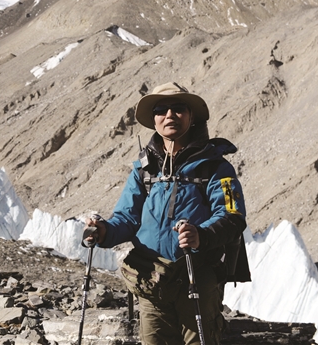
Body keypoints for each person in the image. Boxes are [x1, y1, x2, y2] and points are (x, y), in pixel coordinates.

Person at [85, 82, 249, 345]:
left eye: (178, 108)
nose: (169, 115)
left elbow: (232, 216)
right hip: (151, 280)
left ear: (191, 116)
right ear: (154, 120)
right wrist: (104, 231)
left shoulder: (216, 168)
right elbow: (127, 218)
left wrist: (201, 235)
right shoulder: (143, 170)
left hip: (198, 277)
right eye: (161, 110)